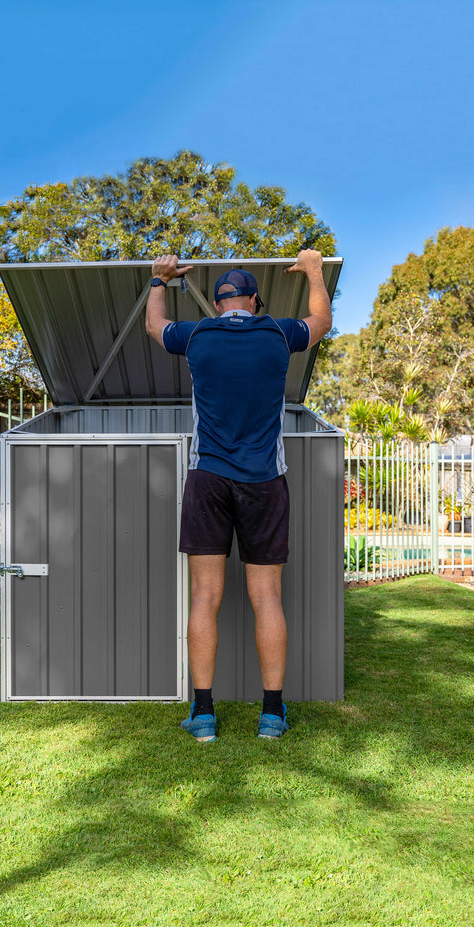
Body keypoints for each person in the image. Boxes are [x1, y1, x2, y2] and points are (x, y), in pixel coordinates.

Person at [145, 249, 332, 741]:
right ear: (254, 299)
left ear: (220, 302)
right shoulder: (277, 333)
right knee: (266, 597)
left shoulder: (197, 335)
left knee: (205, 597)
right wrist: (313, 269)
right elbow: (322, 320)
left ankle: (203, 715)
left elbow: (155, 326)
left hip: (208, 478)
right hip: (264, 481)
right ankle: (272, 715)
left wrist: (159, 280)